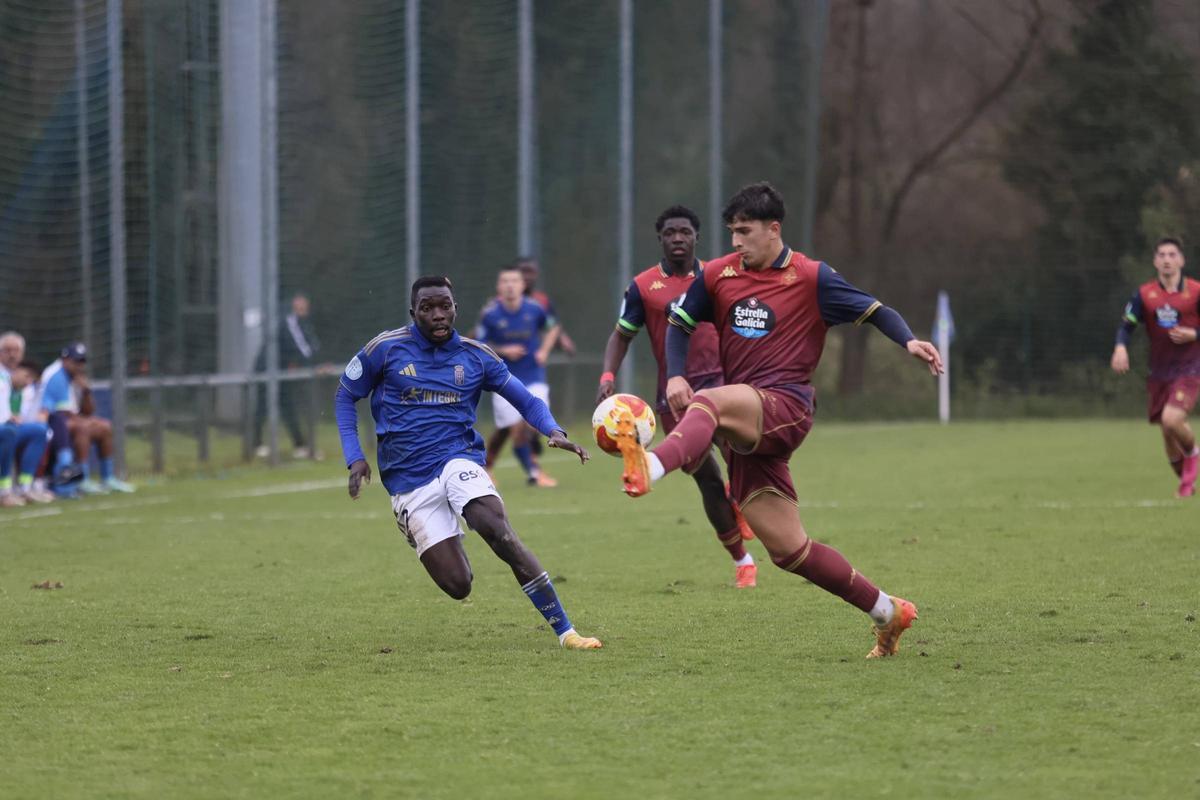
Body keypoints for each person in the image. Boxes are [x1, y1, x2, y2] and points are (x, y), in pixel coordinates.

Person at [614, 182, 942, 658]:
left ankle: (652, 466)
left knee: (708, 403)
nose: (735, 242)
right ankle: (889, 613)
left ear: (773, 229)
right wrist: (675, 375)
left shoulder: (812, 276)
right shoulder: (718, 275)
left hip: (786, 406)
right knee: (790, 552)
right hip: (748, 425)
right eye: (731, 232)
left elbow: (875, 310)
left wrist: (909, 340)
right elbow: (680, 324)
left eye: (744, 232)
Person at [333, 275, 602, 651]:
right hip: (409, 481)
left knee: (495, 527)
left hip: (458, 459)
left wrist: (552, 429)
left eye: (445, 305)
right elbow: (345, 395)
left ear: (456, 308)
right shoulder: (386, 349)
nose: (438, 315)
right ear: (414, 313)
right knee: (459, 585)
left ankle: (566, 632)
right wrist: (355, 458)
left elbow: (526, 400)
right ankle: (438, 529)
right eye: (428, 308)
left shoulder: (476, 356)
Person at [597, 205, 758, 589]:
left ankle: (742, 499)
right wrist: (607, 375)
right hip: (676, 394)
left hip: (723, 384)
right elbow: (622, 334)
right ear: (660, 238)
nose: (678, 239)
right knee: (708, 479)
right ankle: (743, 561)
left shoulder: (719, 279)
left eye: (684, 232)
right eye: (670, 233)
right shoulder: (642, 287)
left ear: (696, 237)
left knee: (743, 461)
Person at [1111, 237, 1200, 497]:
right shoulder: (1144, 294)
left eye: (1172, 255)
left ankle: (1193, 457)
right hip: (1159, 372)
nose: (1167, 259)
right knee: (1167, 434)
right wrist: (1120, 347)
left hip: (1190, 368)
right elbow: (1126, 325)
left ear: (1181, 260)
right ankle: (1188, 484)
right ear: (1155, 261)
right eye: (1161, 255)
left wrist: (1194, 335)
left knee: (1172, 420)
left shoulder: (1195, 292)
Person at [479, 266, 560, 487]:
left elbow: (553, 328)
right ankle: (534, 473)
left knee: (528, 424)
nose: (510, 285)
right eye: (505, 281)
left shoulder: (535, 309)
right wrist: (505, 351)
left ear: (522, 285)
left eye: (514, 281)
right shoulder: (490, 314)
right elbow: (481, 344)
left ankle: (488, 464)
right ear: (499, 286)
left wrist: (544, 350)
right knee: (514, 428)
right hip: (503, 379)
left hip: (534, 377)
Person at [42, 343, 134, 495]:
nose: (80, 366)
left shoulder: (76, 377)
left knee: (104, 427)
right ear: (65, 360)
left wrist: (86, 391)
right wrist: (83, 420)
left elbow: (88, 411)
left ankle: (108, 478)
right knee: (82, 427)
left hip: (69, 419)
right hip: (52, 421)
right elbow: (61, 412)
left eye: (82, 361)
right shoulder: (57, 376)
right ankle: (81, 479)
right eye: (76, 361)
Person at [255, 292, 324, 460]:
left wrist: (316, 362)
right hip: (266, 369)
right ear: (294, 307)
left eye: (305, 307)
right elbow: (301, 347)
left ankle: (299, 446)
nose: (303, 310)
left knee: (288, 407)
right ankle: (256, 445)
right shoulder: (289, 321)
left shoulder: (303, 323)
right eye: (300, 307)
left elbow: (311, 345)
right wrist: (314, 364)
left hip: (282, 371)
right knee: (262, 407)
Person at [6, 360, 54, 504]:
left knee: (41, 431)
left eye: (31, 379)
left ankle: (26, 487)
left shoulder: (23, 392)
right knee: (8, 433)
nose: (28, 381)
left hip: (11, 428)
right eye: (26, 376)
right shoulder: (4, 384)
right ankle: (5, 491)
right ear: (17, 371)